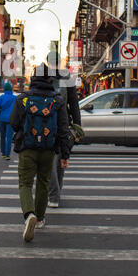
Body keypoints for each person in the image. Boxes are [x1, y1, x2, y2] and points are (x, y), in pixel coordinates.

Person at [10, 63, 70, 242]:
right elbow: (63, 128)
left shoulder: (23, 98)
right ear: (50, 78)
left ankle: (29, 214)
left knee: (25, 183)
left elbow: (13, 122)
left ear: (33, 77)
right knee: (43, 183)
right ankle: (40, 218)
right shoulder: (57, 100)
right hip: (48, 149)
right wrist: (65, 154)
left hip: (27, 148)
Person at [46, 51, 82, 208]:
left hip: (46, 122)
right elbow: (74, 104)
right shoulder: (67, 77)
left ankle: (53, 196)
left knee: (50, 160)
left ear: (47, 62)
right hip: (64, 123)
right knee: (61, 158)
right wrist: (77, 125)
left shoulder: (42, 77)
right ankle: (56, 192)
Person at [0, 82, 17, 160]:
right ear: (11, 89)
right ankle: (7, 154)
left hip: (2, 119)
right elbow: (16, 109)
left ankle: (3, 152)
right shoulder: (15, 98)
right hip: (11, 119)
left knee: (2, 136)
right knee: (9, 137)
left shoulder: (1, 97)